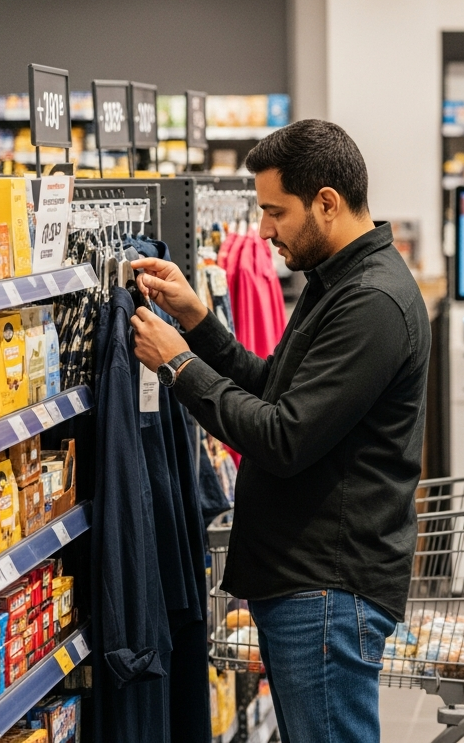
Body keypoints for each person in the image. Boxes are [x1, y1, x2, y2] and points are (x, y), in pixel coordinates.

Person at [129, 120, 430, 743]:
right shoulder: (337, 282)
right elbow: (274, 388)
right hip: (306, 581)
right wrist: (199, 322)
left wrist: (178, 365)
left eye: (275, 212)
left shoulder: (373, 301)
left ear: (326, 201)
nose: (264, 230)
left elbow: (282, 437)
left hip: (327, 587)